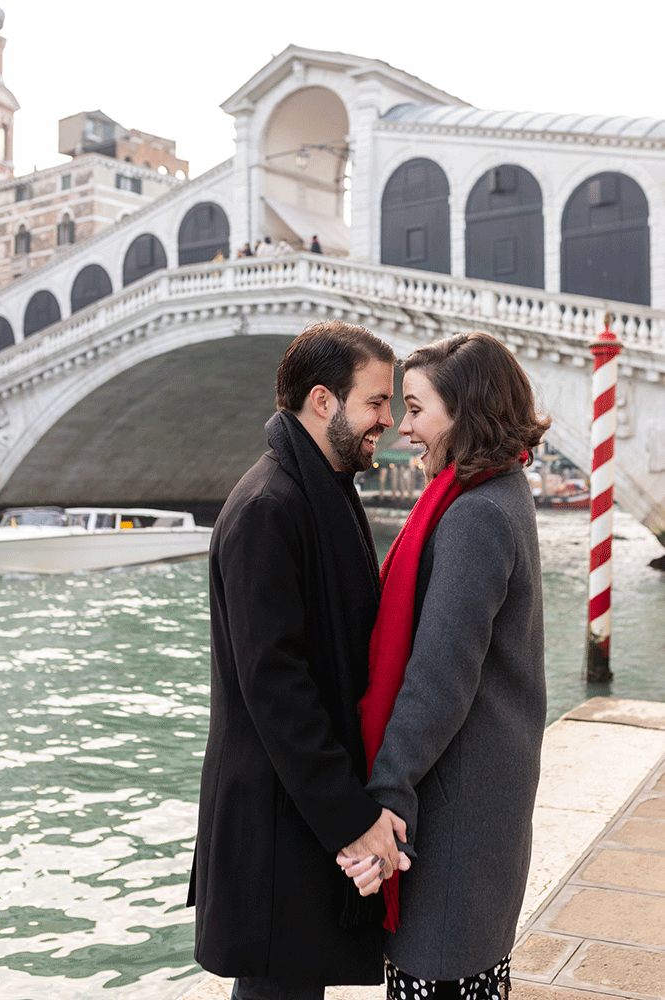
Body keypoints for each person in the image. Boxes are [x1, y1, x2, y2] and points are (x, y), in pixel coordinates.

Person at [188, 320, 410, 998]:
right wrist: (353, 819)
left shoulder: (318, 489)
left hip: (294, 812)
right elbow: (275, 686)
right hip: (275, 822)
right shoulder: (269, 508)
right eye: (374, 402)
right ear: (323, 401)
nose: (388, 420)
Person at [339, 331, 551, 1000]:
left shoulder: (473, 516)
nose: (404, 427)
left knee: (438, 972)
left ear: (464, 411)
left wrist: (388, 791)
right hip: (487, 787)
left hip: (457, 803)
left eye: (415, 408)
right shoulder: (500, 494)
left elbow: (439, 676)